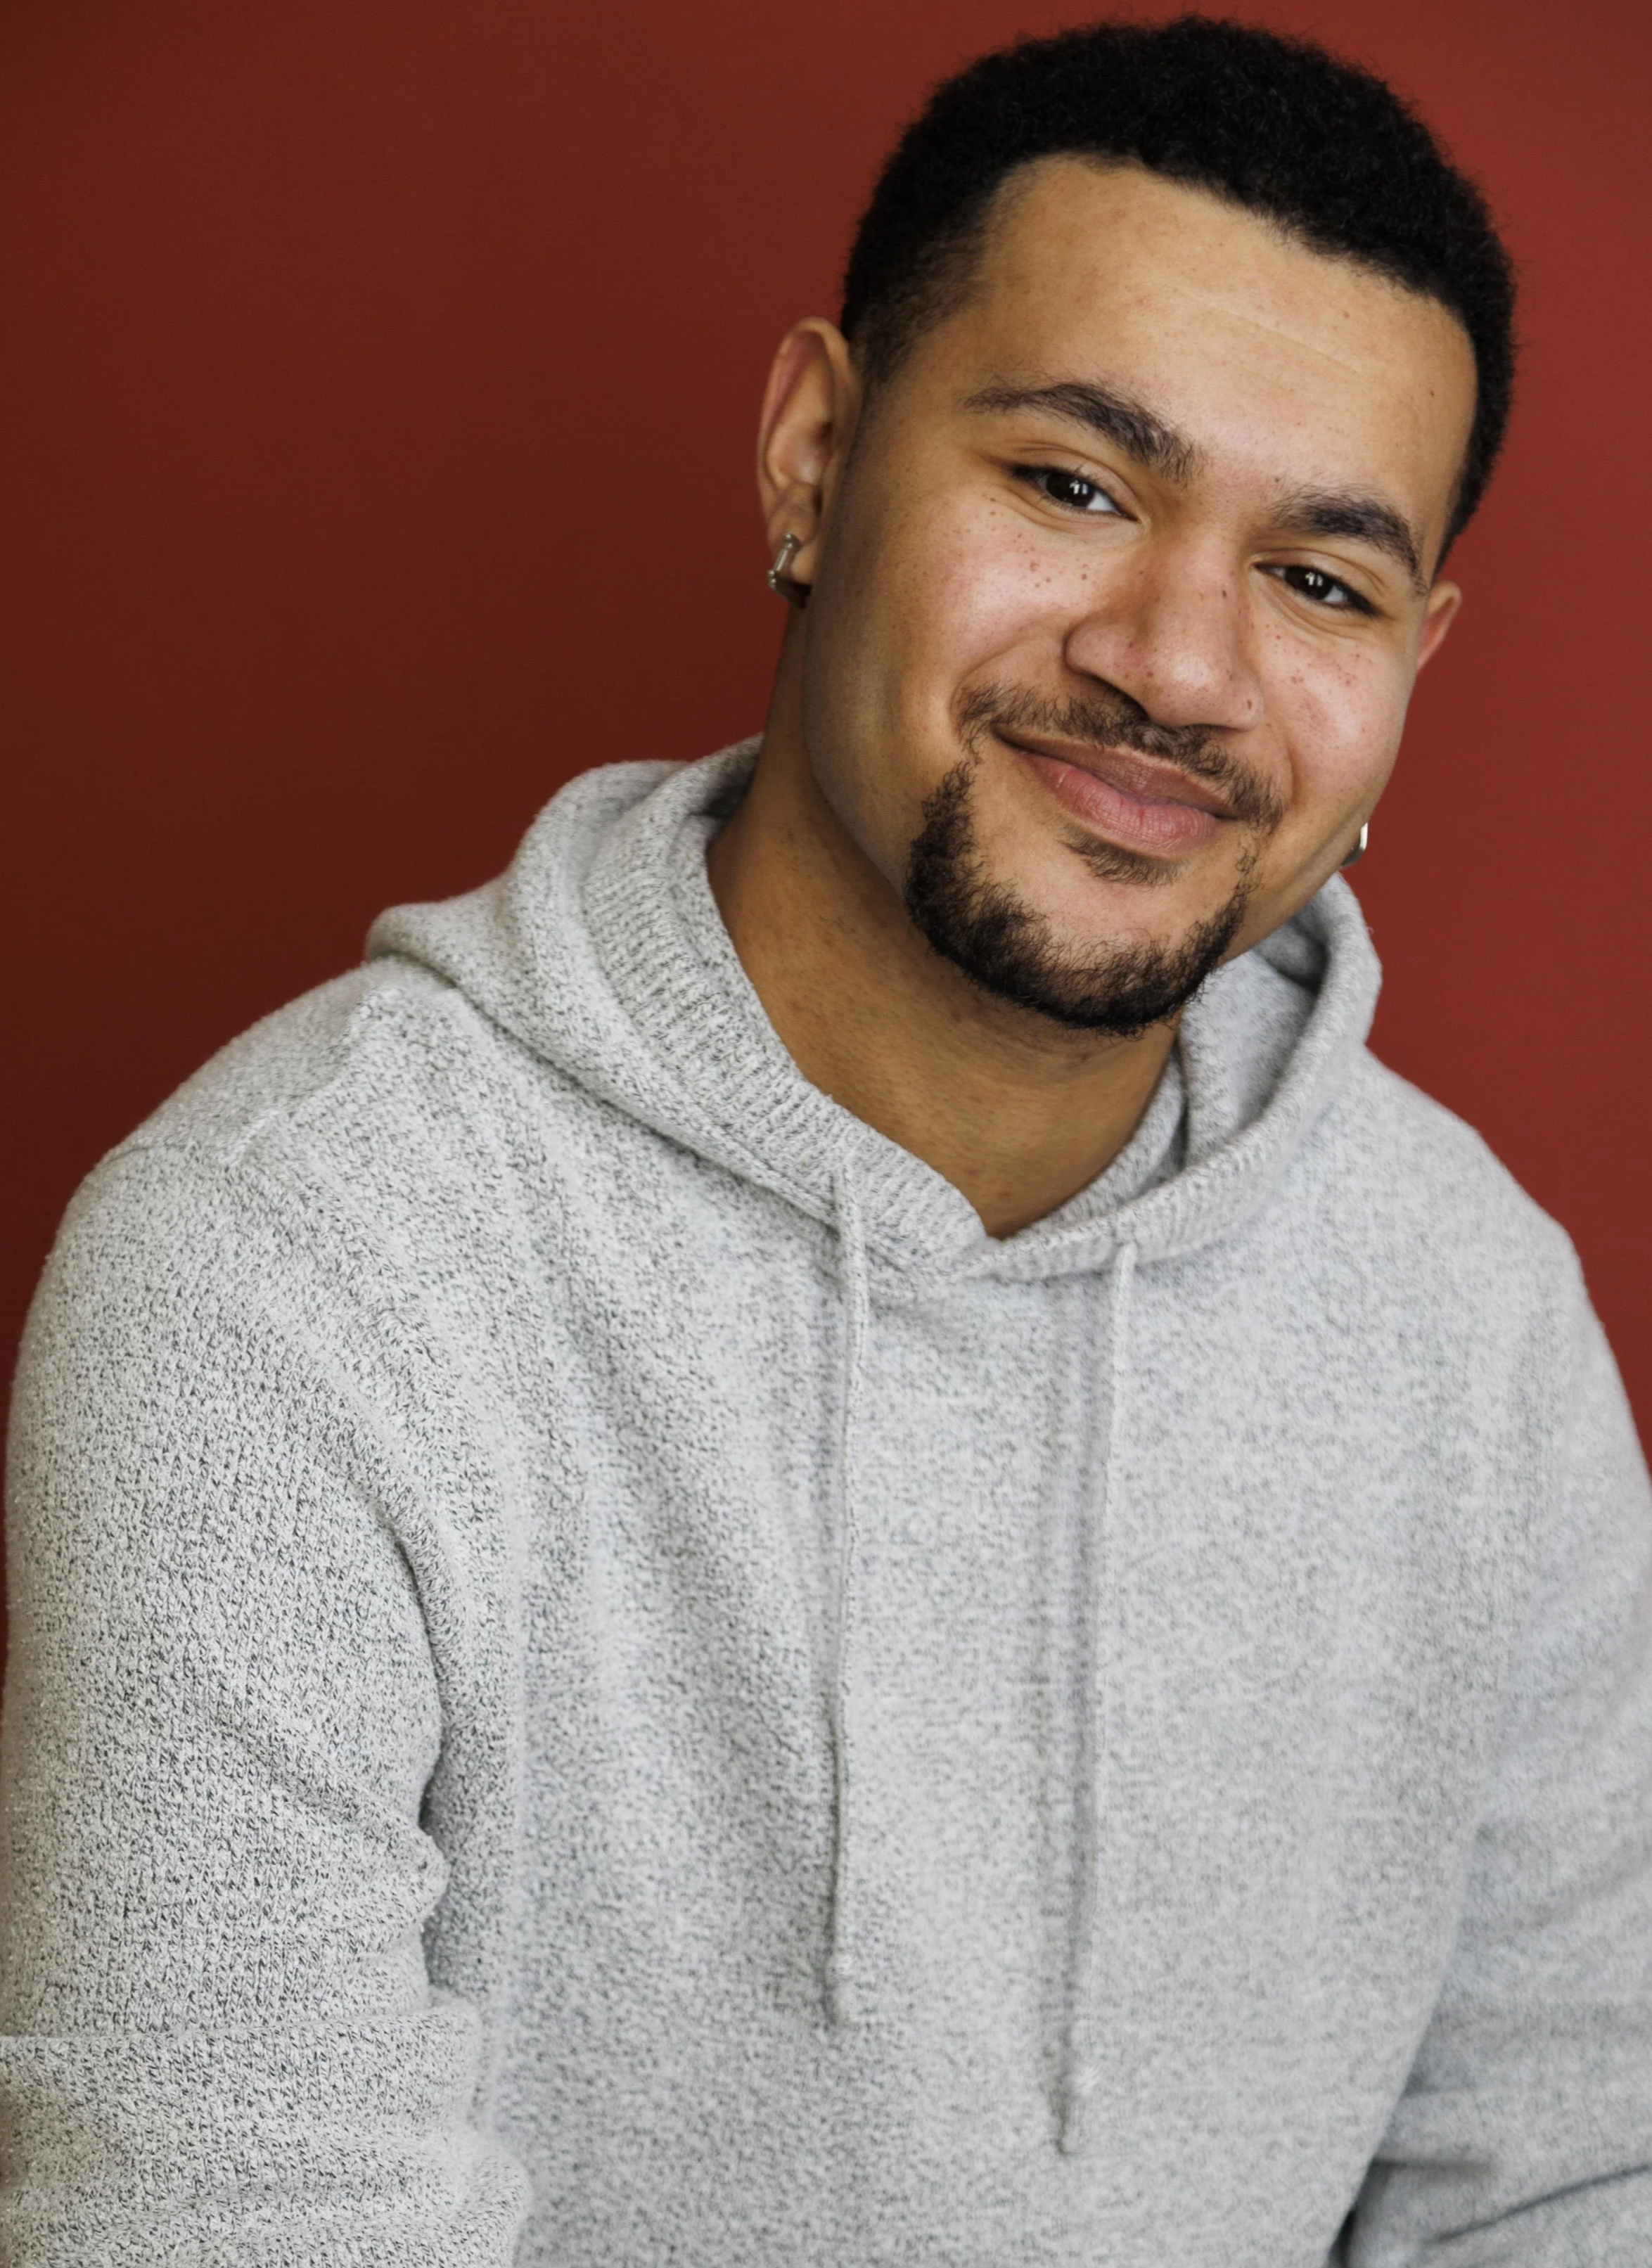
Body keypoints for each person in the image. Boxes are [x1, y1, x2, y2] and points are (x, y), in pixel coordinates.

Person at [3, 14, 1649, 2263]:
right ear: (811, 455)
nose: (1180, 665)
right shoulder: (292, 1267)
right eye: (1073, 482)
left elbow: (1574, 2181)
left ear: (1411, 669)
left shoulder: (1475, 1328)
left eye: (1320, 580)